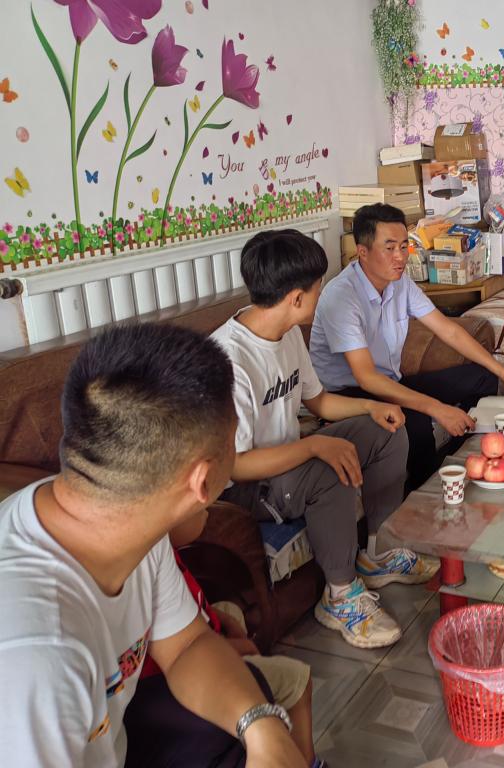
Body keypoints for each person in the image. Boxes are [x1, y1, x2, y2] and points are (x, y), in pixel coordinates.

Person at [0, 323, 306, 767]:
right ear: (203, 481)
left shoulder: (124, 517)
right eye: (233, 440)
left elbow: (186, 646)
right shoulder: (38, 654)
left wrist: (262, 728)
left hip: (111, 737)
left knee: (245, 701)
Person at [213, 229, 433, 651]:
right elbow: (234, 465)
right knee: (330, 465)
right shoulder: (228, 360)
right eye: (318, 287)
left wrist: (371, 407)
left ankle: (376, 553)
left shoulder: (287, 332)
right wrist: (315, 446)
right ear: (297, 298)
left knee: (386, 428)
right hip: (245, 488)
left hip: (288, 462)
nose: (321, 294)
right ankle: (340, 595)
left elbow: (319, 402)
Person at [309, 203, 504, 492]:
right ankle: (422, 498)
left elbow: (449, 331)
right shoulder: (341, 297)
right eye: (390, 248)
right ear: (362, 252)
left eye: (404, 246)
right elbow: (366, 378)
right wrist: (438, 409)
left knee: (482, 378)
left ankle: (467, 462)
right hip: (349, 394)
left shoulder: (399, 282)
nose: (400, 257)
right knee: (415, 423)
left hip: (390, 382)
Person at [126, 507, 323, 767]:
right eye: (204, 507)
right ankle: (308, 761)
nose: (209, 511)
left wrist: (261, 729)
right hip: (161, 686)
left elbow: (188, 634)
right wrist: (234, 648)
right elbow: (181, 652)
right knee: (291, 678)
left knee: (230, 613)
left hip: (188, 657)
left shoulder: (158, 551)